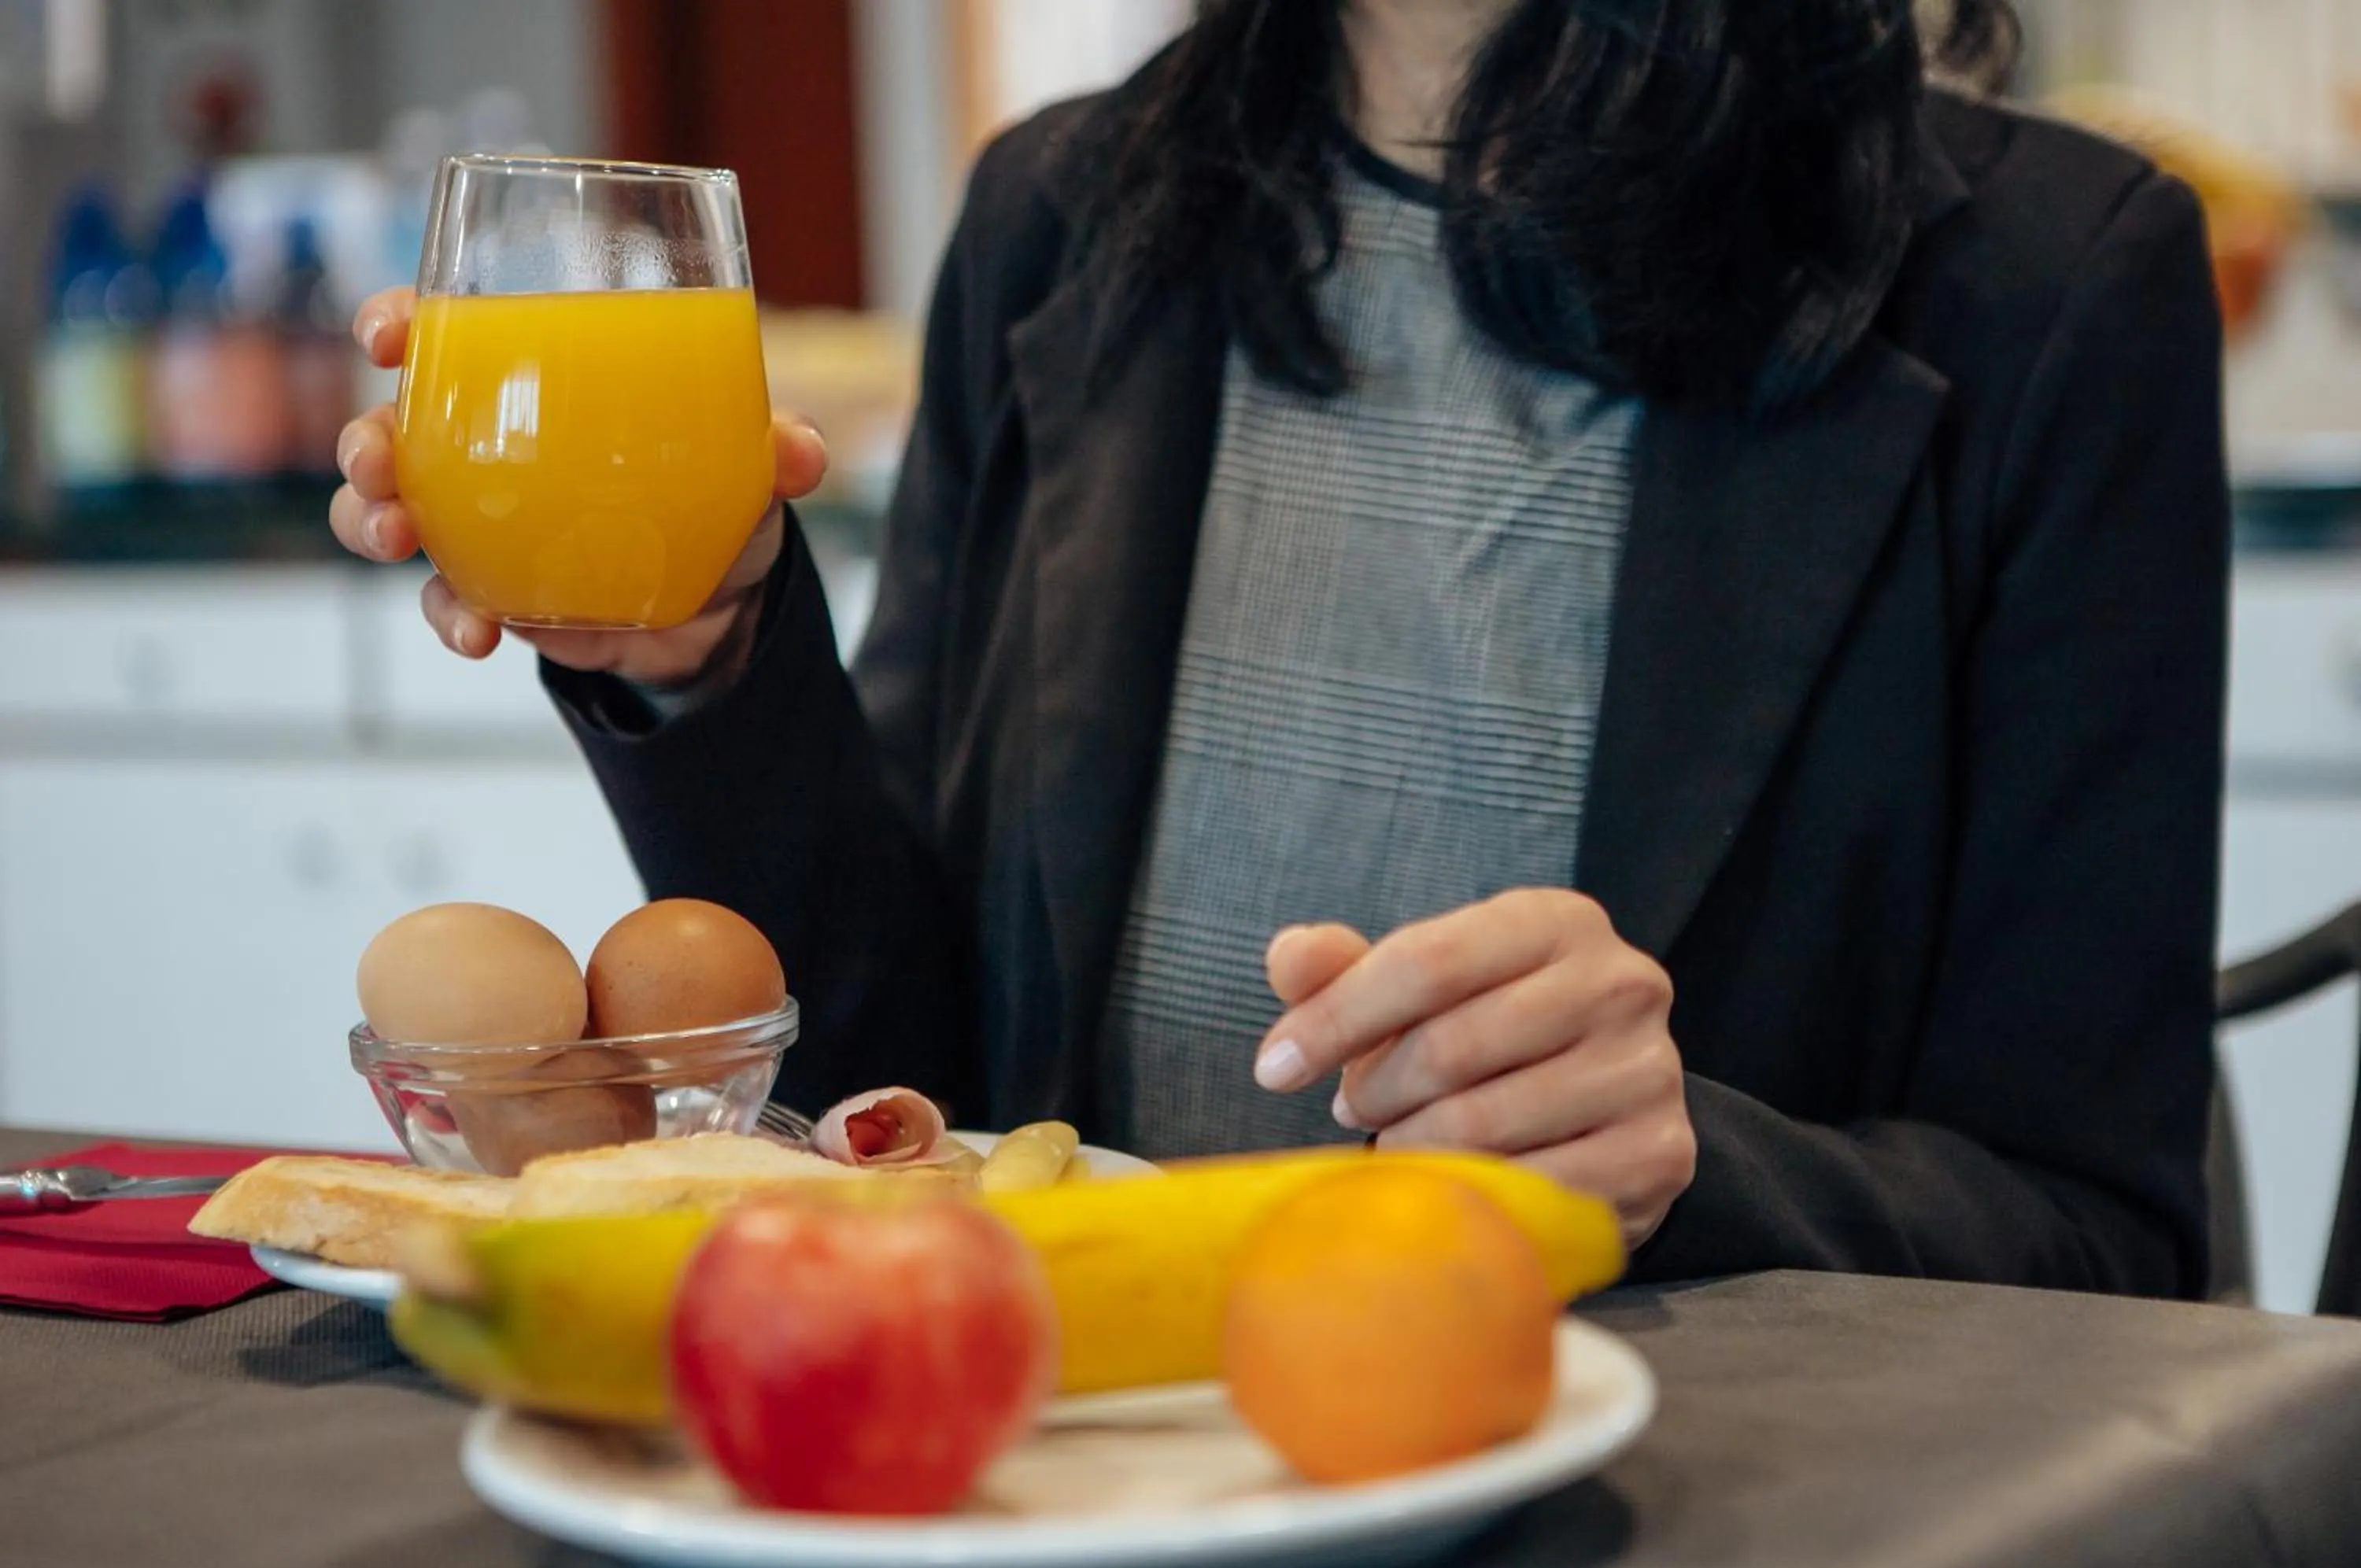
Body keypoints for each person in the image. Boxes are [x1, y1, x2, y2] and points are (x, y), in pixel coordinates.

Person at [327, 0, 2227, 1297]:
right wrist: (705, 659)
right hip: (1050, 1479)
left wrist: (1689, 1164)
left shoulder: (2056, 286)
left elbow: (2103, 1236)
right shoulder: (1060, 221)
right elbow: (912, 1084)